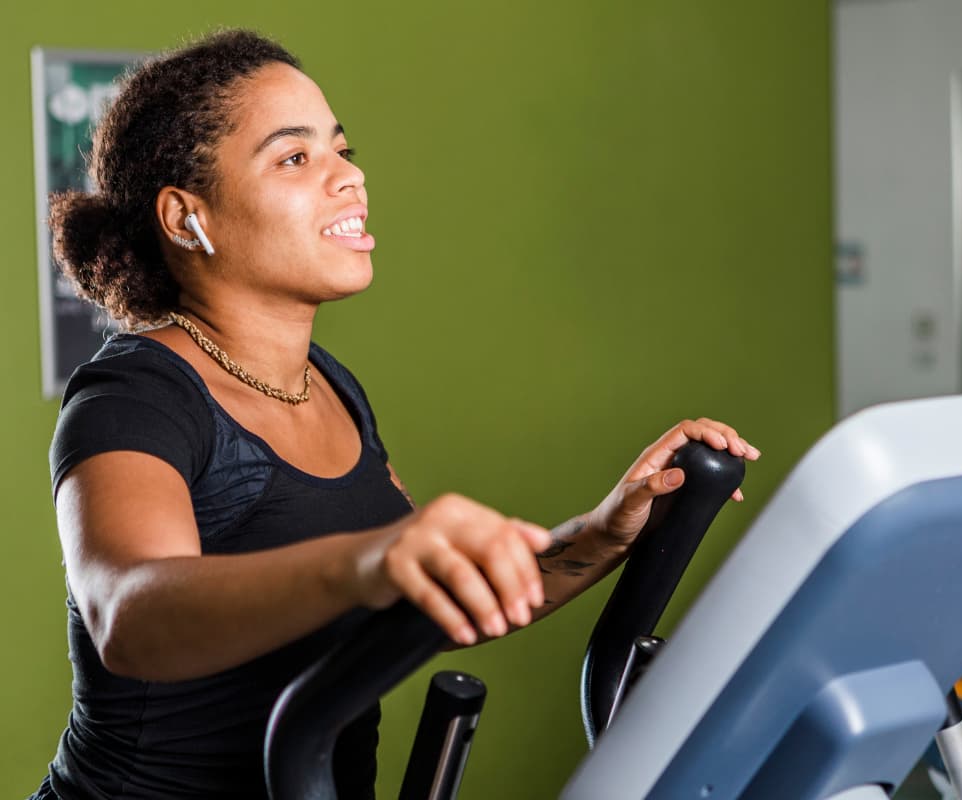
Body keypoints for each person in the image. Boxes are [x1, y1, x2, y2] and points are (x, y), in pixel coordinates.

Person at [31, 29, 759, 800]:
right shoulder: (134, 396)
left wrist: (606, 529)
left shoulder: (330, 387)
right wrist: (367, 560)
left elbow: (432, 589)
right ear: (186, 218)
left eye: (342, 150)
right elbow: (128, 615)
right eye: (295, 157)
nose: (349, 177)